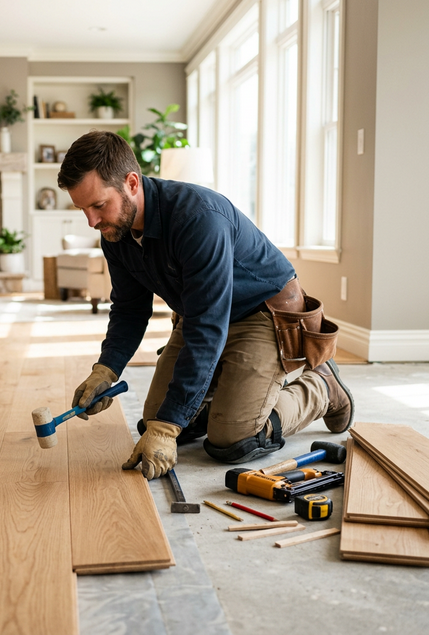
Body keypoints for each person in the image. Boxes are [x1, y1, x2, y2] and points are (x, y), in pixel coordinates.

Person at [57, 131, 354, 481]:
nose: (91, 221)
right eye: (82, 209)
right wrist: (106, 370)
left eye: (98, 205)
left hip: (261, 315)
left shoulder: (198, 218)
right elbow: (129, 309)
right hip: (202, 315)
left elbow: (207, 328)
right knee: (153, 417)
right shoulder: (116, 231)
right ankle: (223, 394)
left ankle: (321, 387)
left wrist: (168, 428)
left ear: (132, 183)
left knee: (231, 439)